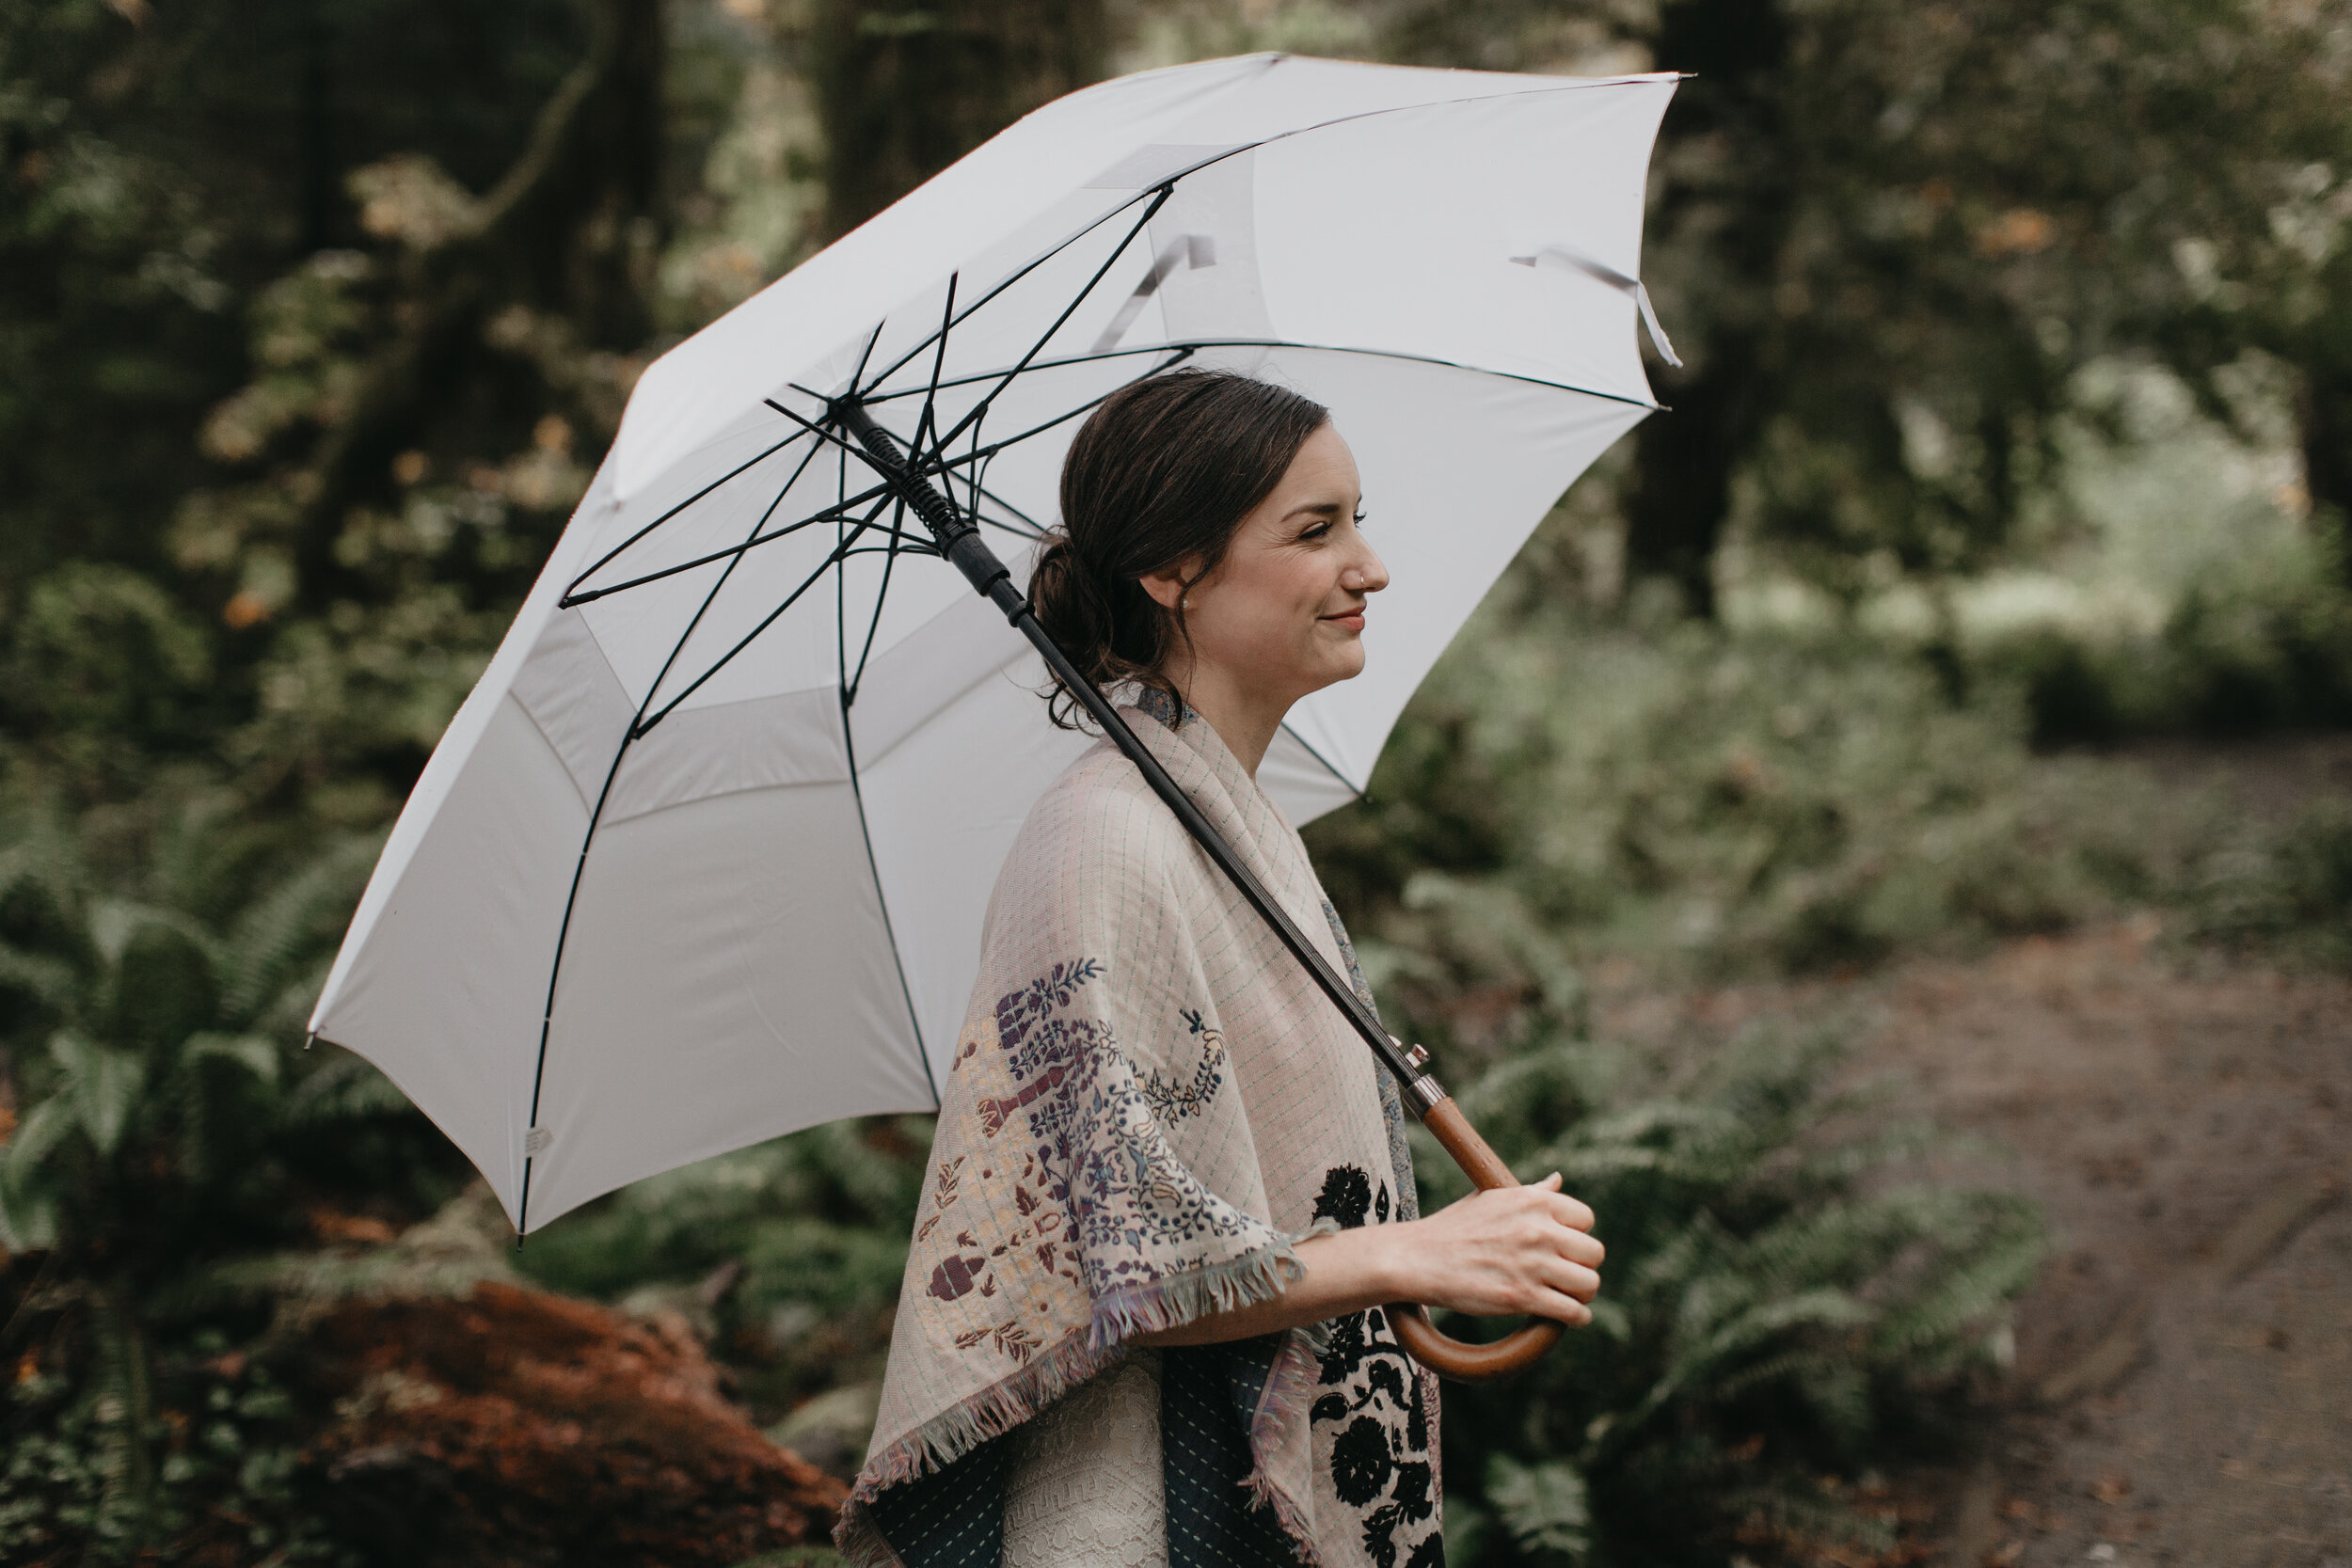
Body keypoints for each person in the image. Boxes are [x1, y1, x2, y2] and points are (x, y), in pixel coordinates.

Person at [839, 371, 1604, 1568]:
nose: (1371, 565)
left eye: (1357, 516)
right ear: (1171, 572)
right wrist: (1408, 1250)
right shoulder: (1103, 839)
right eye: (1316, 529)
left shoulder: (1224, 812)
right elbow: (1120, 1252)